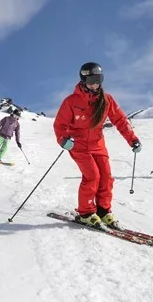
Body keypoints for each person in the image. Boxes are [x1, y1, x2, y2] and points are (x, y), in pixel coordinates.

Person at [53, 62, 141, 229]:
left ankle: (103, 211)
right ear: (84, 79)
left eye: (99, 79)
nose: (95, 83)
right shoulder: (71, 101)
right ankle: (86, 213)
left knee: (106, 177)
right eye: (92, 79)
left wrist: (133, 139)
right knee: (92, 176)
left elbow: (120, 120)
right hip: (78, 145)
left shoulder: (106, 100)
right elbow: (60, 124)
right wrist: (63, 139)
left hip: (98, 144)